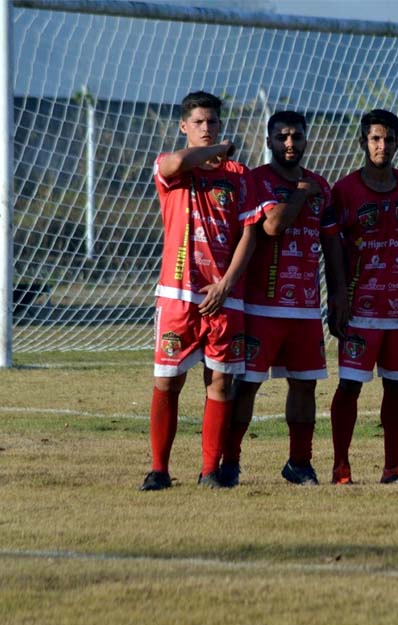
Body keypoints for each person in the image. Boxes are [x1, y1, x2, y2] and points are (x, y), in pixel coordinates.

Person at [220, 110, 348, 487]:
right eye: (282, 137)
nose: (289, 144)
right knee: (247, 385)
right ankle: (230, 462)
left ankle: (299, 463)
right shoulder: (257, 181)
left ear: (306, 140)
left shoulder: (320, 185)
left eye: (296, 137)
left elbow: (331, 243)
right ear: (270, 141)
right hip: (260, 306)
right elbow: (272, 226)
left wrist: (338, 292)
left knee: (305, 384)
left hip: (306, 309)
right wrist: (299, 194)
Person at [140, 91, 258, 491]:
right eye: (200, 122)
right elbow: (175, 161)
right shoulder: (170, 168)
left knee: (221, 383)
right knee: (168, 382)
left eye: (213, 122)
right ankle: (158, 470)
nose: (207, 128)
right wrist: (216, 150)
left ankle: (210, 470)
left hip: (224, 297)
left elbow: (250, 235)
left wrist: (226, 285)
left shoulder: (240, 176)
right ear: (184, 126)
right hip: (177, 296)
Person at [328, 109, 398, 485]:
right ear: (363, 142)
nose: (382, 145)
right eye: (375, 138)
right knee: (349, 386)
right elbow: (334, 247)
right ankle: (340, 465)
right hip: (359, 310)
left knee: (397, 387)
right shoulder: (344, 190)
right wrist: (338, 296)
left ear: (397, 142)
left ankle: (393, 465)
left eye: (389, 139)